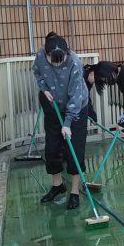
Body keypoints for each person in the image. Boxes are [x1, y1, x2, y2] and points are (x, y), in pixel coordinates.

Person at [33, 32, 89, 210]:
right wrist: (44, 89)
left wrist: (67, 124)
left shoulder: (74, 63)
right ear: (46, 53)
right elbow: (37, 73)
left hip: (76, 107)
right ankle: (58, 185)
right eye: (53, 60)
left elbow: (76, 96)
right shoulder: (40, 56)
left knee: (74, 150)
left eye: (60, 59)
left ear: (67, 52)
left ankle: (74, 191)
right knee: (52, 147)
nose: (57, 63)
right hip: (54, 105)